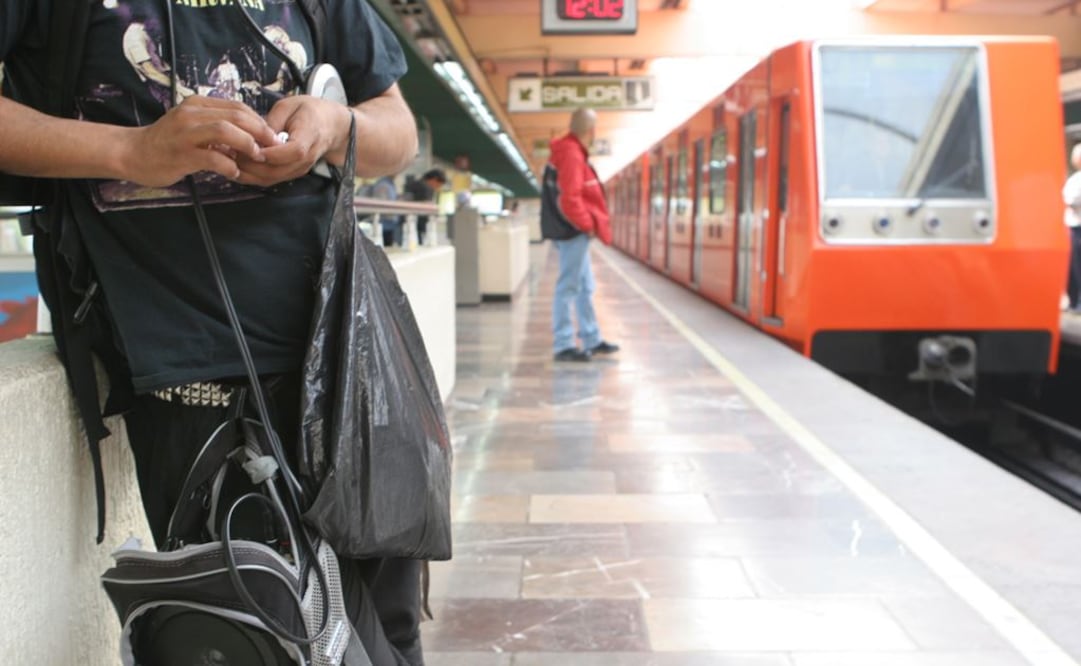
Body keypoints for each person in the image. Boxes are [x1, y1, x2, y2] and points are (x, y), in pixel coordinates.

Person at [0, 1, 425, 664]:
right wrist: (129, 149)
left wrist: (334, 125)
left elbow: (398, 130)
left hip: (351, 348)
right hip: (189, 375)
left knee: (391, 633)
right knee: (259, 637)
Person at [541, 107, 619, 362]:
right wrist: (587, 225)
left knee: (585, 286)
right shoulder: (573, 154)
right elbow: (570, 198)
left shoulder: (568, 151)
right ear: (591, 130)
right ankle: (563, 344)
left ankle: (591, 337)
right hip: (573, 232)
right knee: (569, 287)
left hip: (571, 231)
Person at [402, 168, 447, 245]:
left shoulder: (415, 184)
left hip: (409, 223)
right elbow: (425, 204)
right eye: (438, 185)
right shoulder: (424, 187)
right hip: (417, 223)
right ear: (434, 179)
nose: (438, 188)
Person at [1064, 143, 1081, 313]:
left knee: (1078, 265)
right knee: (1072, 266)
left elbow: (1072, 200)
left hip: (1078, 226)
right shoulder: (1075, 178)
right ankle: (1074, 300)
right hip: (1072, 225)